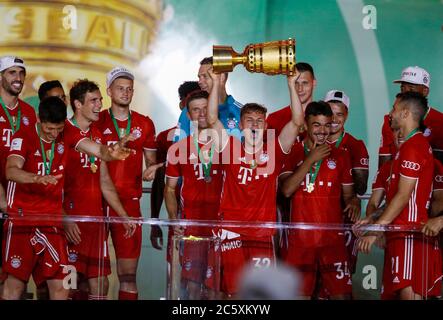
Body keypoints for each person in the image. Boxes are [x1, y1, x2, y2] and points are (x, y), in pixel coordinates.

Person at [206, 67, 304, 297]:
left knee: (263, 293)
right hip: (231, 230)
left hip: (261, 232)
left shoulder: (274, 151)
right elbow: (212, 119)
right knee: (233, 292)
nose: (254, 125)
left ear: (266, 126)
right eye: (249, 120)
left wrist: (291, 85)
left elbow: (297, 122)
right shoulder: (231, 148)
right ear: (240, 125)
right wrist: (214, 83)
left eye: (259, 121)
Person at [357, 91, 442, 300]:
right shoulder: (409, 148)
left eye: (394, 109)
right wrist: (374, 218)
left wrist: (377, 229)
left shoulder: (414, 147)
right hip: (400, 233)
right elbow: (398, 197)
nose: (390, 113)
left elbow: (404, 196)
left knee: (409, 295)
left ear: (405, 113)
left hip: (409, 234)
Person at [63, 78, 136, 300]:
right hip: (72, 225)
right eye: (93, 101)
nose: (99, 105)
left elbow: (104, 180)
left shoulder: (96, 133)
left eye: (100, 100)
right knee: (70, 287)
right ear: (77, 104)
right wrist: (63, 217)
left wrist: (124, 215)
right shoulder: (65, 131)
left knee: (100, 286)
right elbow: (54, 183)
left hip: (95, 224)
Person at [279, 101, 359, 300]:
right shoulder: (292, 153)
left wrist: (355, 201)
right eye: (317, 125)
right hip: (300, 241)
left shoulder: (341, 155)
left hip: (332, 240)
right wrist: (310, 159)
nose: (323, 131)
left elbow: (349, 195)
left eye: (327, 125)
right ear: (305, 125)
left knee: (343, 296)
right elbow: (287, 190)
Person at [97, 67, 159, 300]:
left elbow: (151, 165)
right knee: (92, 275)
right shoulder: (98, 120)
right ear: (109, 91)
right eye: (120, 88)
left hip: (130, 204)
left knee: (128, 276)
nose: (125, 93)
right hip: (96, 203)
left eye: (129, 89)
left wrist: (153, 169)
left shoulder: (144, 123)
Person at [1, 96, 69, 300]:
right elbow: (11, 171)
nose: (54, 134)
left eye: (59, 129)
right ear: (38, 119)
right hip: (23, 219)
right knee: (14, 286)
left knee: (63, 284)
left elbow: (95, 149)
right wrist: (37, 178)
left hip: (51, 221)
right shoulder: (23, 136)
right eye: (49, 129)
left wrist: (109, 154)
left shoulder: (67, 135)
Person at [164, 90, 224, 299]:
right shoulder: (179, 148)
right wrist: (173, 220)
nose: (201, 114)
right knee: (191, 288)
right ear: (188, 115)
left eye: (206, 109)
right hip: (192, 226)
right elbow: (170, 189)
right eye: (195, 110)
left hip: (219, 226)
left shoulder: (226, 146)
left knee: (216, 289)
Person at [0, 56, 37, 292]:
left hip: (17, 204)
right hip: (2, 198)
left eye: (21, 73)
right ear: (1, 76)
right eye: (12, 73)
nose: (18, 78)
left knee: (14, 274)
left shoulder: (29, 112)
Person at [150, 81, 201, 251]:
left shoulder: (221, 140)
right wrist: (154, 221)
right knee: (180, 267)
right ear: (183, 105)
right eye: (192, 101)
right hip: (179, 213)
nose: (200, 110)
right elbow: (159, 182)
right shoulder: (166, 137)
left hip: (209, 213)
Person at [324, 90, 368, 274]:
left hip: (343, 220)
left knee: (343, 278)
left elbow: (361, 187)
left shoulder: (355, 145)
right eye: (330, 113)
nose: (334, 119)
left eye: (339, 114)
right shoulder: (308, 142)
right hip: (314, 218)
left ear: (347, 115)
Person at [378, 66, 443, 168]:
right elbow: (384, 166)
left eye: (411, 88)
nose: (405, 93)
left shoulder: (440, 121)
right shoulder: (390, 120)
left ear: (425, 91)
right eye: (402, 88)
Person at [175, 57, 243, 141]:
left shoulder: (241, 112)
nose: (199, 81)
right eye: (199, 77)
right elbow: (178, 149)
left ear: (221, 78)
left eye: (205, 76)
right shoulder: (189, 111)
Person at [266, 62, 316, 136]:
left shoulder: (325, 118)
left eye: (305, 83)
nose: (300, 89)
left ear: (314, 83)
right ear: (290, 83)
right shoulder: (274, 119)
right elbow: (270, 147)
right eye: (295, 83)